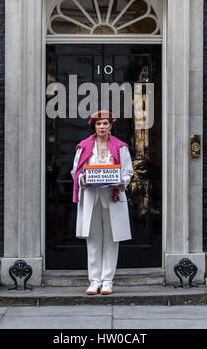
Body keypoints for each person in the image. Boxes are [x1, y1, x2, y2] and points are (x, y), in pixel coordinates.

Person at [71, 110, 134, 295]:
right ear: (94, 126)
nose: (102, 127)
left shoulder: (121, 147)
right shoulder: (83, 147)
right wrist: (83, 179)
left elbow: (128, 172)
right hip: (91, 197)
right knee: (93, 240)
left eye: (105, 123)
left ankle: (107, 281)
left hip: (112, 197)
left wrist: (121, 182)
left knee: (112, 239)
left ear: (111, 125)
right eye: (98, 124)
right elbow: (76, 171)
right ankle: (94, 281)